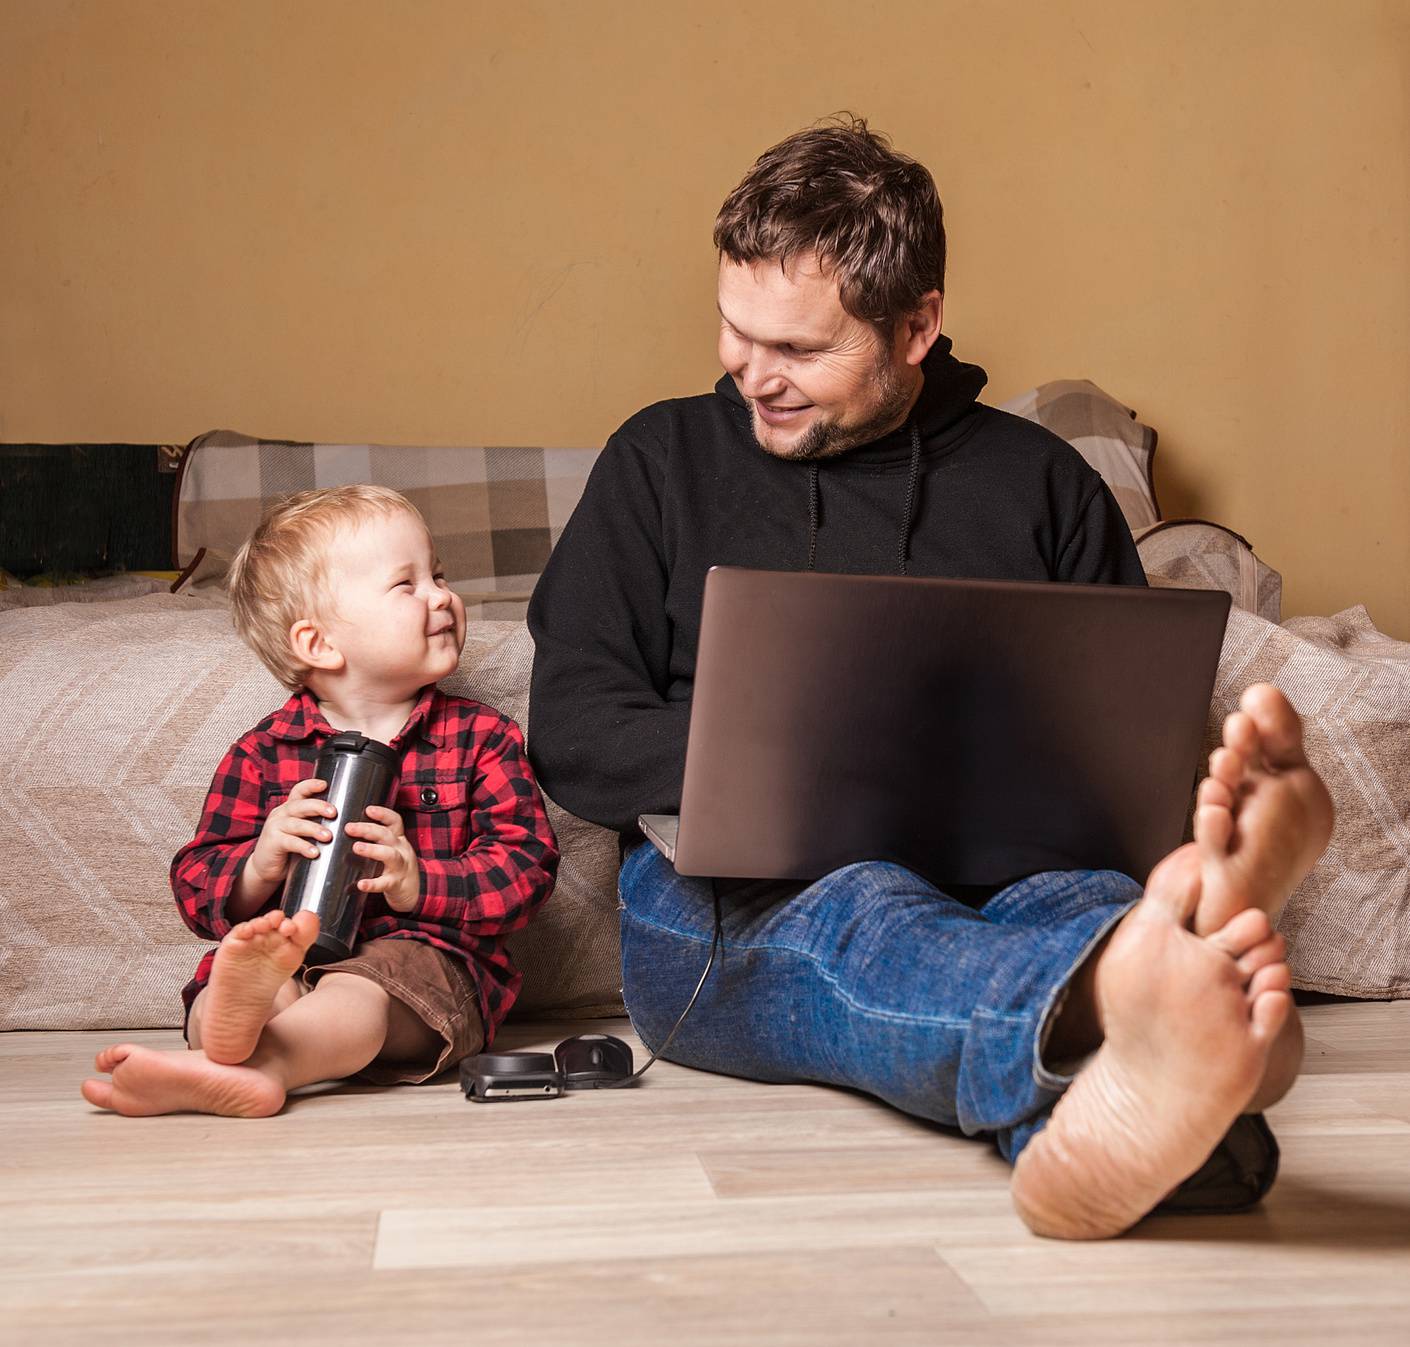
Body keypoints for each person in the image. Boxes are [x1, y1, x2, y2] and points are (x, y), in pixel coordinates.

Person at [526, 117, 1333, 1238]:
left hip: (1023, 873)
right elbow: (574, 728)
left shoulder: (1044, 486)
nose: (751, 373)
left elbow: (1121, 743)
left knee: (1096, 902)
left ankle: (1157, 1102)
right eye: (733, 328)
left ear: (917, 326)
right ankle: (1162, 1000)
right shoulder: (659, 461)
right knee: (868, 909)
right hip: (729, 905)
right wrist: (795, 765)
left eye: (800, 351)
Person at [82, 485, 559, 1117]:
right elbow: (196, 884)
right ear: (319, 644)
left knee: (361, 997)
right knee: (242, 981)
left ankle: (253, 1065)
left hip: (422, 961)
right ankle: (228, 1042)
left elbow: (527, 868)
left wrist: (422, 883)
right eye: (406, 585)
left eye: (438, 574)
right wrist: (260, 864)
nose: (443, 595)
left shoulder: (481, 739)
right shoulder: (264, 753)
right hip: (288, 944)